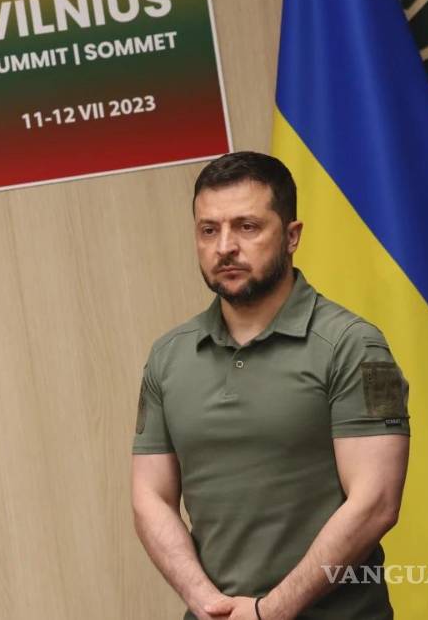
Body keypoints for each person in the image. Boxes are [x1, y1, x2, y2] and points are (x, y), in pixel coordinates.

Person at [130, 151, 410, 620]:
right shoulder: (167, 356)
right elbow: (150, 498)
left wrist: (269, 612)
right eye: (208, 230)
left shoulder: (355, 345)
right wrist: (207, 603)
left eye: (247, 227)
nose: (225, 247)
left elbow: (376, 503)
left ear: (292, 236)